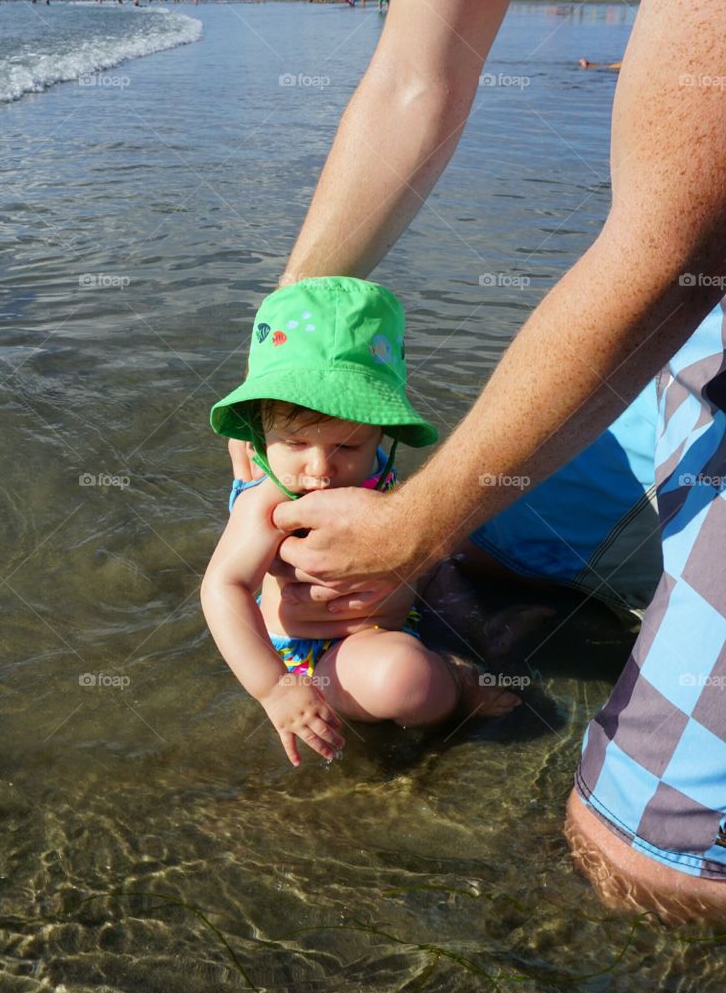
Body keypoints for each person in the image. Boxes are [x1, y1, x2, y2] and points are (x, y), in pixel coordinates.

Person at [221, 0, 726, 922]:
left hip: (694, 253)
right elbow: (414, 78)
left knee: (648, 868)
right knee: (487, 552)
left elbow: (683, 228)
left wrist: (414, 517)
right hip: (684, 297)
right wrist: (283, 365)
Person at [203, 278, 520, 766]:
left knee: (450, 571)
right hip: (314, 656)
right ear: (260, 436)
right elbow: (223, 587)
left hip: (392, 619)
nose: (320, 469)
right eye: (294, 444)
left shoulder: (375, 472)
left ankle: (473, 646)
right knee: (405, 683)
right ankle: (454, 680)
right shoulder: (269, 501)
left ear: (381, 434)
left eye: (347, 446)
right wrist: (275, 688)